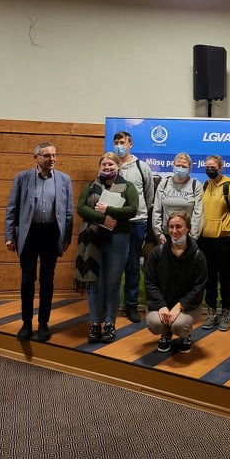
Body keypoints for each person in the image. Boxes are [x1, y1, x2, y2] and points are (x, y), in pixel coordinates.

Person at [5, 141, 73, 342]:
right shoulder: (22, 178)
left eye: (54, 155)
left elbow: (69, 212)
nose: (52, 159)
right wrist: (9, 236)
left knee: (47, 280)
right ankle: (26, 323)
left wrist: (66, 237)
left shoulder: (64, 179)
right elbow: (12, 208)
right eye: (47, 155)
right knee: (27, 279)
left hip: (52, 234)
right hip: (29, 234)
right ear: (36, 158)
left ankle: (44, 323)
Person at [76, 152, 138, 344]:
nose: (107, 167)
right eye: (104, 164)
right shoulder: (90, 186)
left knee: (112, 283)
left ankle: (110, 323)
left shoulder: (128, 187)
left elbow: (132, 209)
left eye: (111, 164)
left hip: (118, 239)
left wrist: (109, 210)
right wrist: (103, 218)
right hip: (93, 240)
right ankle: (95, 323)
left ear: (118, 167)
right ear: (99, 167)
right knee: (94, 282)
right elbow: (81, 208)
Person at [145, 211, 207, 353]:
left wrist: (180, 306)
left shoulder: (198, 256)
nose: (174, 231)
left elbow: (199, 287)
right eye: (171, 227)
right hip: (163, 303)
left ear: (188, 228)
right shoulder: (157, 253)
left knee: (179, 326)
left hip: (187, 306)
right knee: (154, 323)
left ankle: (185, 335)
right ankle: (165, 334)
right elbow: (150, 282)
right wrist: (161, 306)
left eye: (179, 227)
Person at [113, 131, 155, 323]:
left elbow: (149, 195)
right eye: (116, 142)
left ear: (130, 144)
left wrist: (140, 212)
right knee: (114, 264)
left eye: (122, 142)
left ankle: (131, 306)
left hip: (137, 222)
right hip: (115, 222)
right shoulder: (111, 165)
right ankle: (112, 305)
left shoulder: (141, 167)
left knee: (132, 265)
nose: (119, 145)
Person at [199, 155, 230, 332]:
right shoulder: (204, 186)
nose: (209, 170)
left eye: (213, 167)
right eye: (207, 167)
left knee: (225, 277)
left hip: (224, 239)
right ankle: (211, 312)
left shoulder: (229, 187)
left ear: (220, 168)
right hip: (205, 238)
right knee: (209, 277)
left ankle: (225, 312)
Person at [152, 152, 204, 242]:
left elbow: (198, 214)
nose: (180, 168)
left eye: (184, 166)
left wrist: (193, 237)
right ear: (173, 166)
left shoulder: (196, 185)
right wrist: (158, 233)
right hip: (166, 234)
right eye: (178, 165)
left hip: (187, 235)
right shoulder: (164, 183)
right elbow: (157, 210)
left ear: (190, 169)